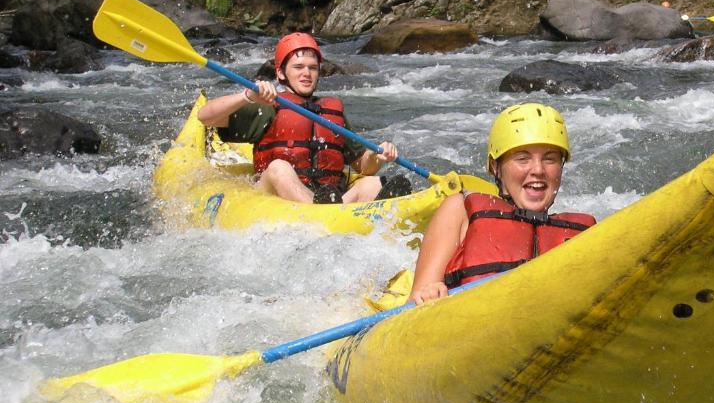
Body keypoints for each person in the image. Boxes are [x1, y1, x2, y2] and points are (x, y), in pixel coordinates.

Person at [410, 102, 595, 304]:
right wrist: (429, 296)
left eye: (550, 159)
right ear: (496, 167)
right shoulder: (460, 210)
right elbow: (411, 307)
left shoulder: (583, 235)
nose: (538, 170)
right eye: (523, 159)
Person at [197, 31, 410, 204]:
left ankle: (350, 210)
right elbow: (205, 117)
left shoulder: (332, 110)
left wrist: (375, 156)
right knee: (279, 168)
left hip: (329, 197)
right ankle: (321, 210)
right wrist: (247, 96)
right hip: (275, 197)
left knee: (372, 183)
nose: (306, 73)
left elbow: (362, 167)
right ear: (281, 73)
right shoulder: (268, 105)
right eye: (298, 67)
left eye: (312, 68)